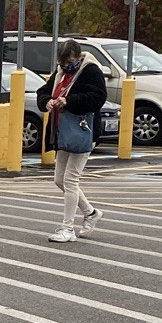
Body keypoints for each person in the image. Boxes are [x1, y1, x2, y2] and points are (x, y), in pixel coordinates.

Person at [43, 38, 105, 242]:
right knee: (59, 179)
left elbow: (97, 98)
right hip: (63, 130)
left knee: (70, 179)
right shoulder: (60, 73)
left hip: (83, 130)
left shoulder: (91, 71)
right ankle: (90, 213)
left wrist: (70, 100)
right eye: (62, 64)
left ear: (78, 57)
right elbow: (44, 91)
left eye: (70, 63)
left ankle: (67, 229)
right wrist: (48, 101)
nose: (67, 67)